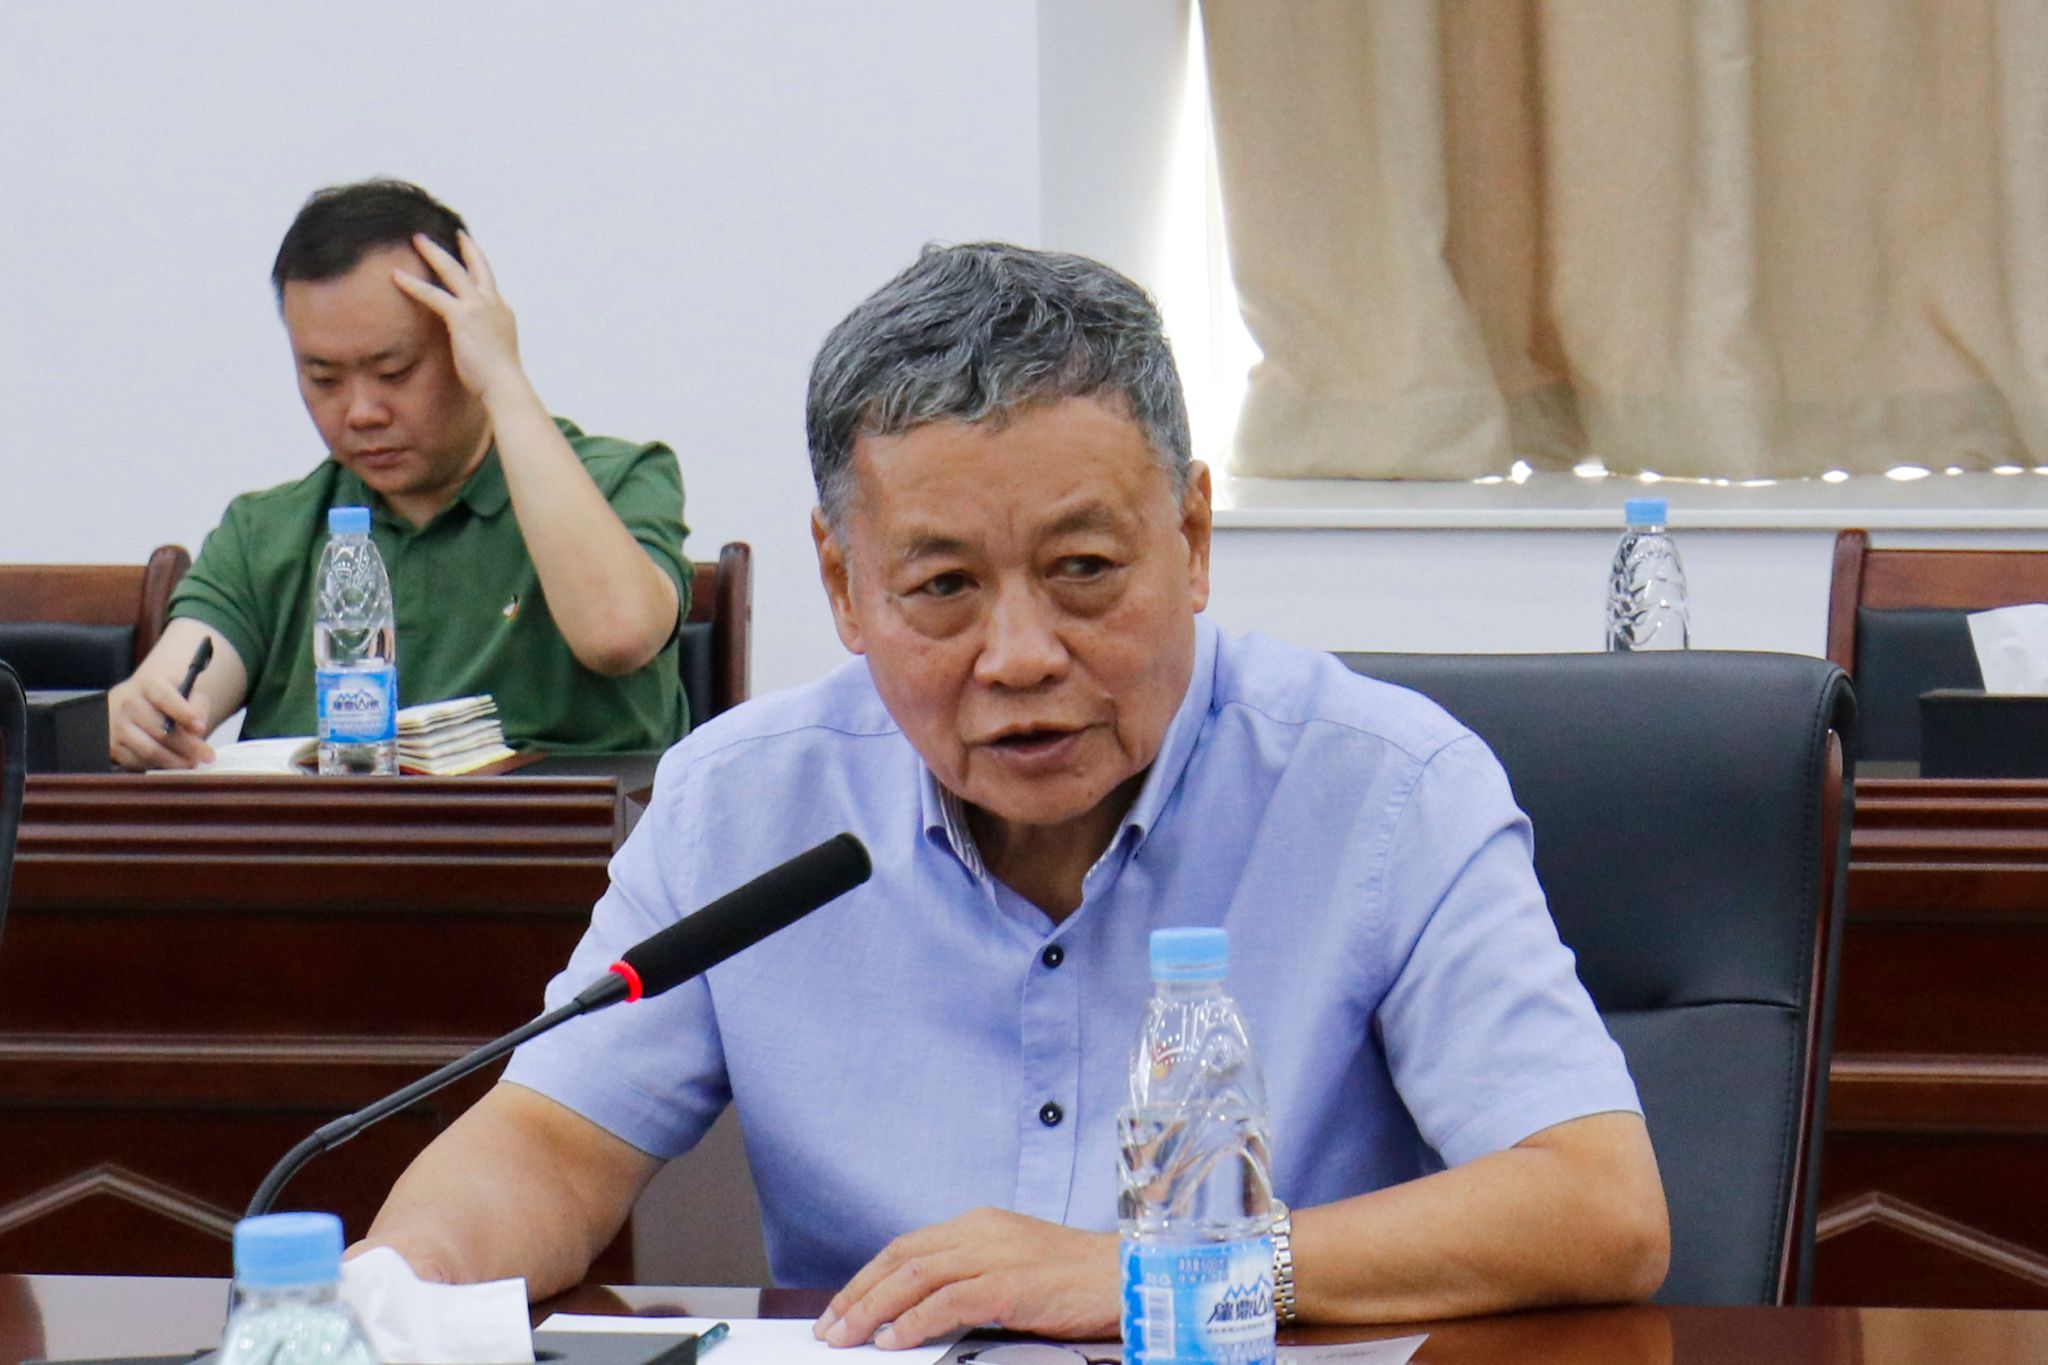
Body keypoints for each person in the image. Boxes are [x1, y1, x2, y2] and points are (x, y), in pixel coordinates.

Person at [359, 244, 1669, 1338]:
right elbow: (547, 1147)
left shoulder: (1387, 789)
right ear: (843, 585)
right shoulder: (739, 807)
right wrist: (388, 1295)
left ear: (1192, 539)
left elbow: (1596, 1205)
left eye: (1083, 569)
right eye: (943, 588)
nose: (1022, 656)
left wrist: (1159, 1272)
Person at [107, 180, 688, 769]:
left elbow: (617, 634)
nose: (361, 412)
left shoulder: (617, 481)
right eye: (324, 379)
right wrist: (141, 719)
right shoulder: (266, 532)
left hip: (555, 826)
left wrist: (504, 379)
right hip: (328, 828)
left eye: (395, 372)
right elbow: (171, 688)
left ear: (465, 343)